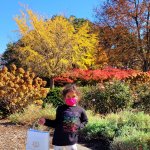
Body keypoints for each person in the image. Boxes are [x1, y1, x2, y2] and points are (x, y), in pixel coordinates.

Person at [38, 84, 88, 150]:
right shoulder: (60, 108)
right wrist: (46, 121)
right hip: (59, 140)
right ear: (65, 97)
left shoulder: (80, 110)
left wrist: (79, 127)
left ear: (78, 97)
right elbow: (56, 123)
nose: (71, 98)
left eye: (73, 96)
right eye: (68, 96)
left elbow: (85, 121)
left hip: (71, 140)